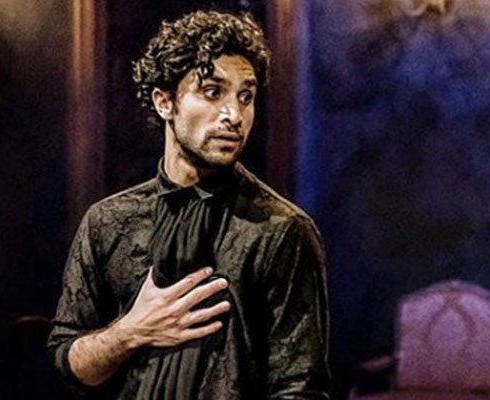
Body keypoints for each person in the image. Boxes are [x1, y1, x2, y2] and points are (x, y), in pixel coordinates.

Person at [48, 10, 331, 399]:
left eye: (245, 97)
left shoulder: (280, 229)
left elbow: (301, 388)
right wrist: (130, 331)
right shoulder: (108, 222)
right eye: (213, 92)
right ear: (164, 102)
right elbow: (69, 365)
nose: (234, 115)